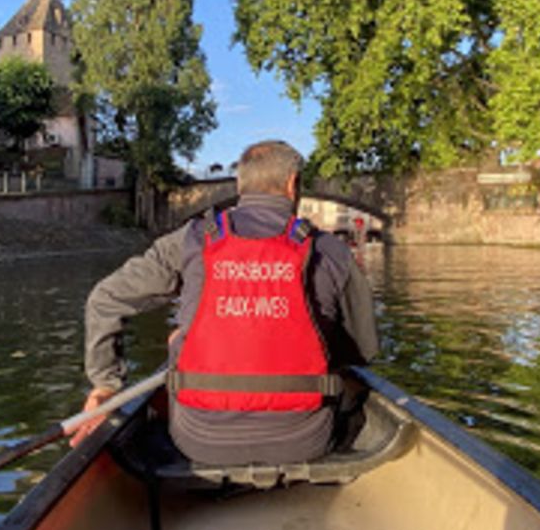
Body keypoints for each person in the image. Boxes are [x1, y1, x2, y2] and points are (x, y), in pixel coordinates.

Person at [73, 140, 378, 464]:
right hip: (304, 440)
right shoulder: (331, 250)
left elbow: (105, 299)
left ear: (239, 184)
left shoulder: (190, 238)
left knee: (178, 340)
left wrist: (106, 385)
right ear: (292, 184)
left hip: (198, 441)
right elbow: (363, 351)